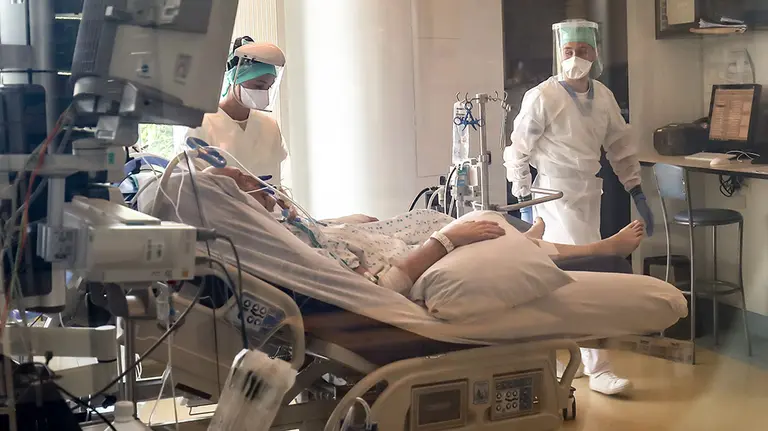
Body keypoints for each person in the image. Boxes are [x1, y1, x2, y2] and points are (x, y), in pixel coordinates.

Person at [502, 19, 655, 396]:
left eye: (583, 51)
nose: (575, 58)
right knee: (579, 276)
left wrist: (636, 189)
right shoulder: (542, 96)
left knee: (562, 279)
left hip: (588, 194)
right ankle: (597, 365)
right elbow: (518, 149)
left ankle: (574, 358)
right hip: (550, 197)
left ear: (595, 54)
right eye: (568, 51)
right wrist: (524, 199)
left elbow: (620, 146)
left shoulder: (602, 96)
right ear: (559, 54)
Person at [206, 167, 646, 296]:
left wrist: (336, 224)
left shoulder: (279, 230)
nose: (258, 185)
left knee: (439, 216)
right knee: (471, 226)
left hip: (379, 240)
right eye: (245, 186)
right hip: (400, 259)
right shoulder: (283, 249)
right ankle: (592, 249)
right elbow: (381, 288)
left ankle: (532, 242)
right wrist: (447, 244)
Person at [176, 36, 290, 185]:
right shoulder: (200, 123)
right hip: (220, 207)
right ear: (234, 78)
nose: (264, 94)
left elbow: (280, 181)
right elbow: (188, 185)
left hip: (267, 208)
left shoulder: (270, 126)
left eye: (268, 87)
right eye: (258, 86)